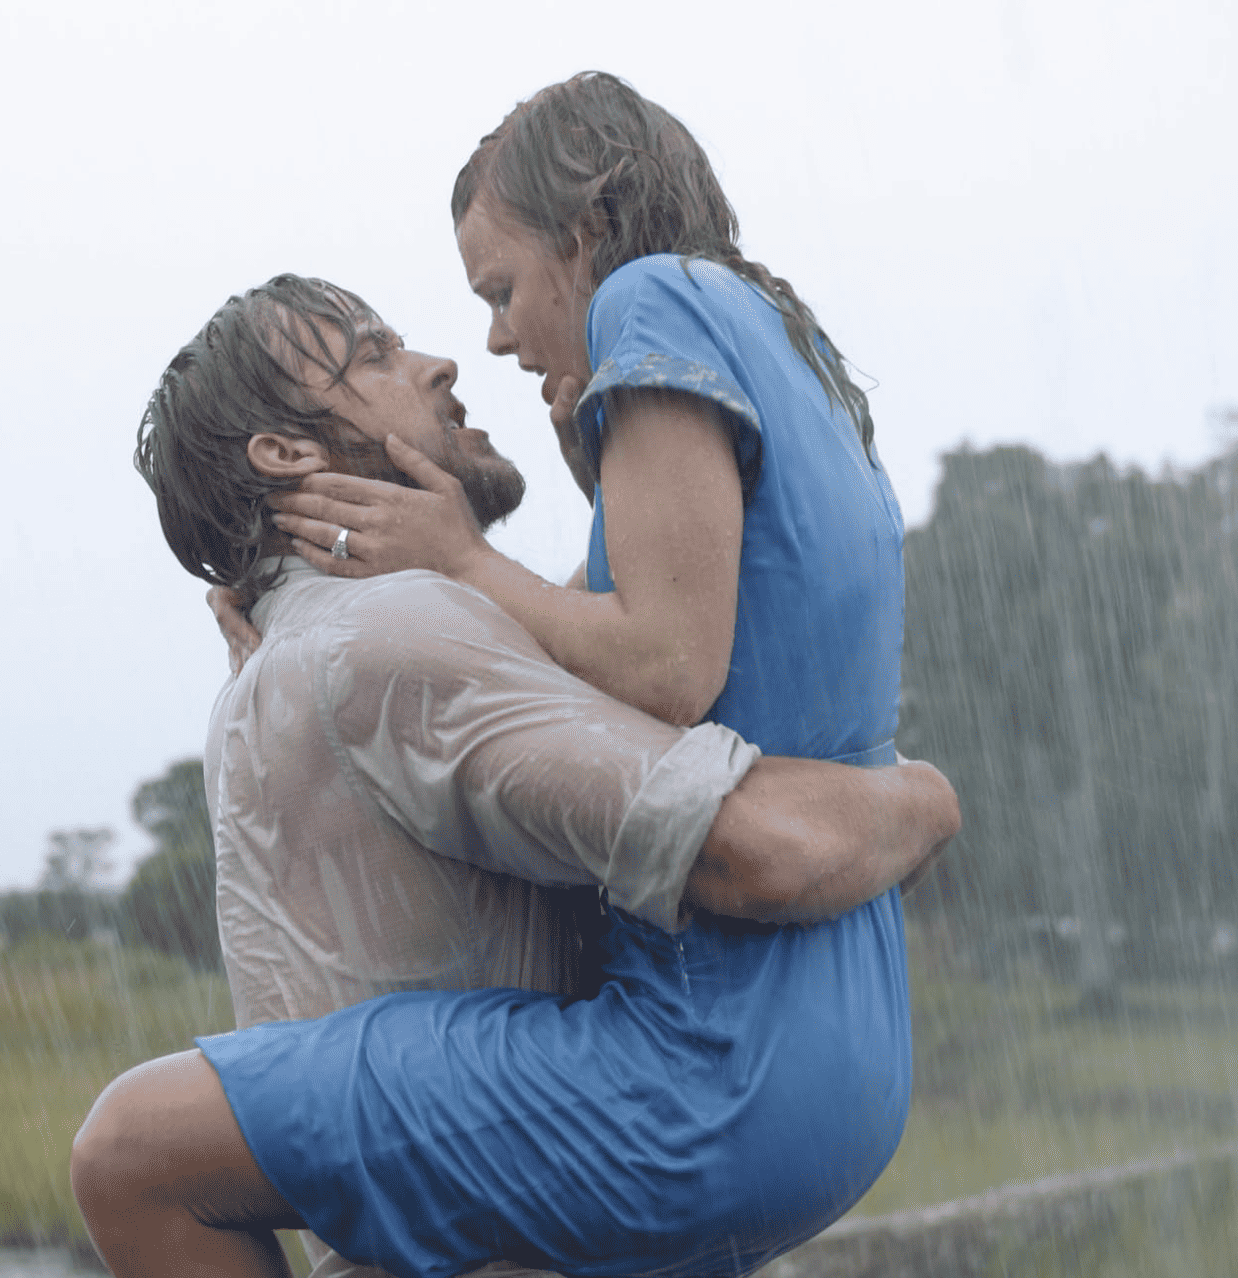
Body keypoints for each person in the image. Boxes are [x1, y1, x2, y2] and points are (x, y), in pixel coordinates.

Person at [72, 272, 958, 1278]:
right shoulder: (384, 640)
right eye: (372, 355)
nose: (438, 362)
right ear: (286, 455)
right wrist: (923, 795)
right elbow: (761, 854)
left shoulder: (270, 676)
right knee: (134, 1140)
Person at [264, 72, 923, 1269]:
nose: (497, 337)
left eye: (503, 289)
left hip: (724, 1038)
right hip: (853, 1013)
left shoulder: (649, 296)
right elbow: (760, 638)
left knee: (169, 1145)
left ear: (586, 228)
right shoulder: (784, 336)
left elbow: (669, 668)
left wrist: (462, 558)